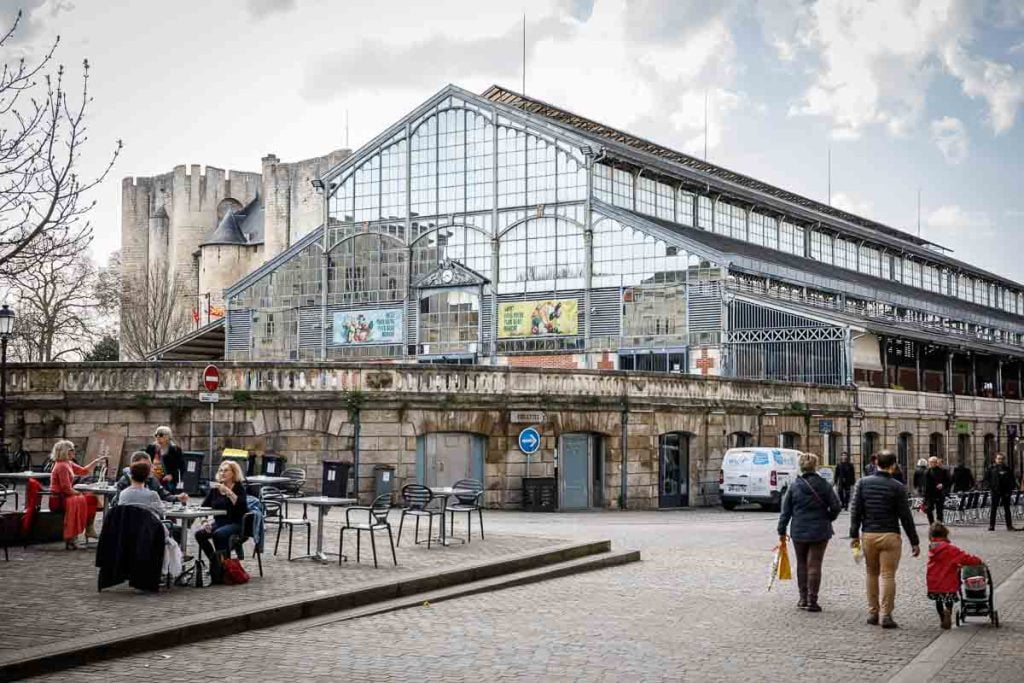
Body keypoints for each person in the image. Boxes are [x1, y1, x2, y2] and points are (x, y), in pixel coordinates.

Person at [850, 450, 921, 629]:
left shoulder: (862, 483)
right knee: (888, 575)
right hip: (890, 535)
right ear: (893, 465)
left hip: (869, 534)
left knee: (871, 573)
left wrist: (853, 535)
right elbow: (906, 516)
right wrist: (914, 540)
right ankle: (886, 615)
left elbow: (855, 511)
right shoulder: (897, 487)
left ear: (876, 463)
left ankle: (873, 612)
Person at [777, 453, 842, 612]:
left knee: (801, 563)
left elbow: (785, 511)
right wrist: (828, 518)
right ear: (816, 466)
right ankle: (813, 600)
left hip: (799, 529)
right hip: (820, 529)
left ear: (801, 466)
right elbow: (836, 506)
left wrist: (781, 530)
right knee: (815, 564)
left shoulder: (794, 486)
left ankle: (802, 598)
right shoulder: (824, 485)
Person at [194, 460, 247, 584]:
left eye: (226, 470)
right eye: (221, 470)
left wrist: (228, 492)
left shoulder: (239, 487)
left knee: (219, 534)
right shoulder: (215, 489)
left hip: (235, 522)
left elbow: (241, 506)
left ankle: (223, 569)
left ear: (233, 473)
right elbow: (203, 507)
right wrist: (205, 521)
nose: (222, 473)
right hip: (219, 522)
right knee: (199, 534)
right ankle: (217, 563)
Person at [47, 440, 105, 550]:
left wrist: (96, 461)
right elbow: (66, 488)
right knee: (90, 499)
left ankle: (88, 529)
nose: (74, 452)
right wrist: (80, 493)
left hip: (64, 496)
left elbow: (83, 471)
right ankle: (85, 530)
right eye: (72, 450)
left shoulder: (68, 463)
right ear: (66, 452)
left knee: (91, 498)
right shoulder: (62, 466)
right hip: (59, 499)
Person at [927, 522, 982, 630]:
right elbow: (965, 558)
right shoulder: (950, 549)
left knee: (938, 601)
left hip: (934, 582)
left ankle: (942, 617)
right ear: (945, 534)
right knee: (948, 600)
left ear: (931, 536)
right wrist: (978, 561)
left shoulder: (932, 549)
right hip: (948, 582)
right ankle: (948, 611)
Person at [114, 451, 188, 505]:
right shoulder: (124, 481)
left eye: (149, 466)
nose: (147, 469)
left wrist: (177, 498)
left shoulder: (153, 480)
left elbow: (164, 495)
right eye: (143, 467)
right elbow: (118, 504)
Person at [145, 426, 184, 491]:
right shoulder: (151, 448)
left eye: (161, 435)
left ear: (168, 437)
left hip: (167, 481)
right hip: (152, 479)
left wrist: (172, 476)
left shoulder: (175, 450)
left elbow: (181, 467)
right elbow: (145, 462)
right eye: (156, 435)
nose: (158, 437)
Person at [985, 453, 1016, 531]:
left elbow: (1012, 480)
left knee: (1007, 509)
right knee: (993, 509)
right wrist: (991, 487)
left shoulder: (1007, 469)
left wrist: (1009, 490)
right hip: (995, 491)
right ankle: (992, 526)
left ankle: (1009, 526)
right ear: (995, 459)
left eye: (1002, 459)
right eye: (999, 459)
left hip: (1005, 491)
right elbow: (986, 479)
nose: (1000, 460)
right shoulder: (991, 468)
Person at [923, 457, 951, 524]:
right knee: (929, 510)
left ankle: (939, 524)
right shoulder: (927, 471)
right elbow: (925, 484)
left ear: (936, 462)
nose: (931, 464)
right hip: (930, 494)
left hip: (939, 493)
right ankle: (932, 524)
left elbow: (948, 481)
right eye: (930, 462)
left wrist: (942, 485)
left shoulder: (942, 471)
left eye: (933, 462)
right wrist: (925, 497)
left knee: (939, 511)